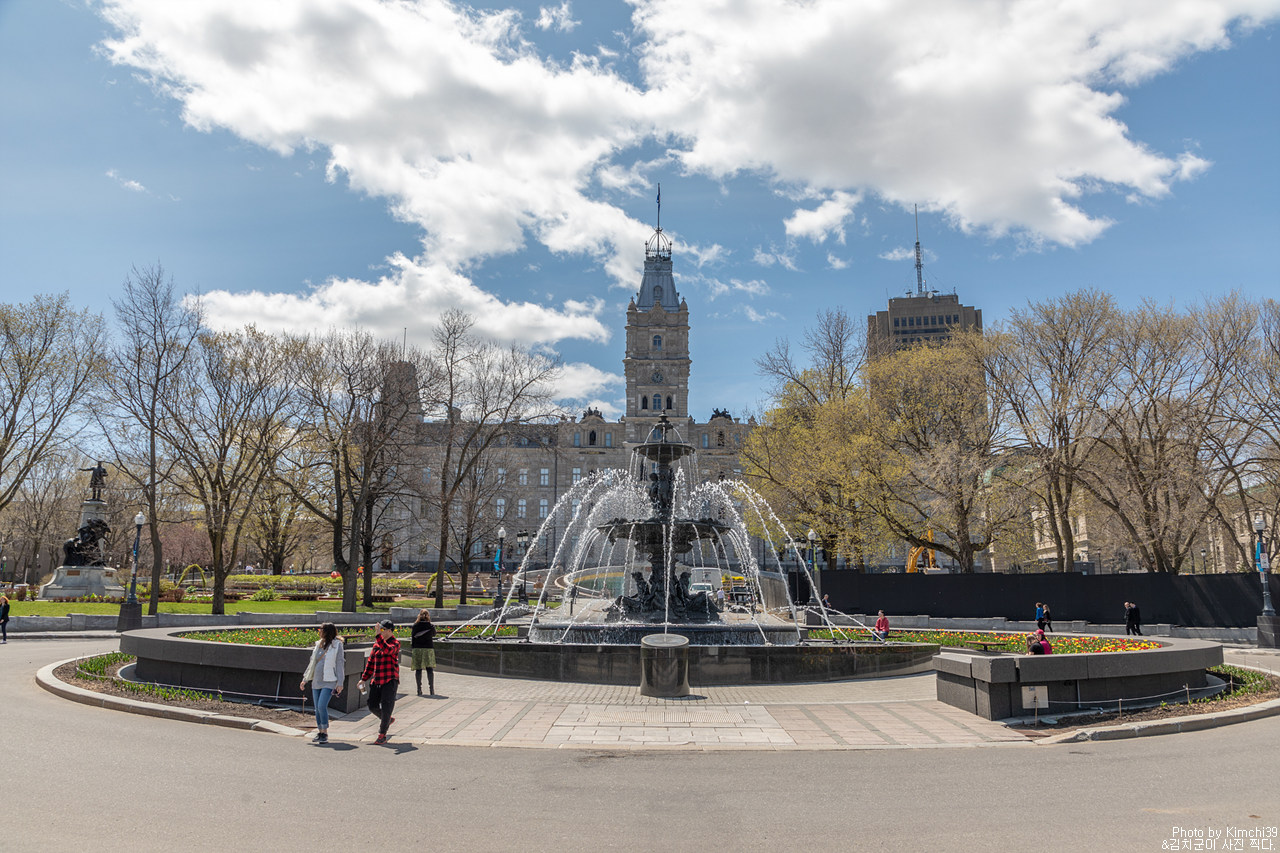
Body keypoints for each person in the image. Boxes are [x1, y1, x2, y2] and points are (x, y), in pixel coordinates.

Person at [299, 622, 344, 744]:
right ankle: (320, 731)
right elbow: (312, 663)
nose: (319, 631)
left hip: (329, 680)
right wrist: (305, 679)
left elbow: (340, 664)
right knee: (316, 708)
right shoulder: (318, 644)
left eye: (321, 629)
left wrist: (340, 683)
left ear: (327, 631)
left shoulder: (337, 645)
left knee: (321, 706)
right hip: (317, 680)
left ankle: (324, 732)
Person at [358, 619, 401, 745]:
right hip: (377, 680)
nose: (380, 631)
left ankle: (382, 734)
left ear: (390, 631)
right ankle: (386, 719)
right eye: (379, 629)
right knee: (372, 705)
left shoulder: (395, 643)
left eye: (382, 629)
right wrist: (363, 679)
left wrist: (378, 636)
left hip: (390, 680)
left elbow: (388, 650)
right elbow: (370, 663)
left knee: (387, 707)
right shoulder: (377, 645)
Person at [410, 609, 436, 696]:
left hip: (417, 648)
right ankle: (431, 689)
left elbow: (413, 637)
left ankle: (419, 689)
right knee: (429, 669)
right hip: (428, 649)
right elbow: (434, 634)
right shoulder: (430, 626)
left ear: (419, 615)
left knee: (418, 669)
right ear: (428, 616)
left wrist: (413, 648)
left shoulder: (415, 626)